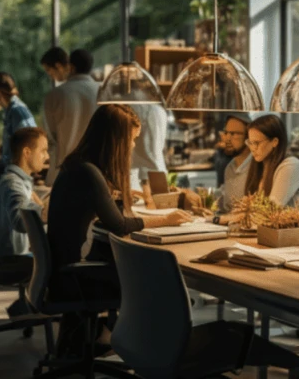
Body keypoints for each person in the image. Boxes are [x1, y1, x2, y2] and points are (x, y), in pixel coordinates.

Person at [47, 105, 193, 357]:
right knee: (162, 285)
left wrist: (110, 195)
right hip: (75, 277)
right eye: (132, 140)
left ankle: (104, 337)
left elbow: (95, 211)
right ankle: (151, 354)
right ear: (115, 139)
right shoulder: (89, 173)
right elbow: (120, 226)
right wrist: (167, 220)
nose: (133, 147)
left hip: (64, 273)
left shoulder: (78, 166)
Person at [42, 48, 99, 186]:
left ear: (70, 67)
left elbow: (49, 138)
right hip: (99, 172)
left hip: (65, 173)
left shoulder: (55, 95)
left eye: (49, 71)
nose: (51, 76)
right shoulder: (104, 92)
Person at [0, 127, 48, 259]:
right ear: (27, 152)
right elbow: (20, 221)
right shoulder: (13, 184)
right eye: (43, 151)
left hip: (17, 258)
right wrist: (47, 211)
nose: (47, 156)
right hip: (12, 263)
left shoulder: (21, 181)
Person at [216, 113, 252, 212]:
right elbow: (228, 207)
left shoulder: (257, 167)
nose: (227, 138)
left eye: (233, 134)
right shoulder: (230, 168)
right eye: (226, 133)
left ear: (248, 136)